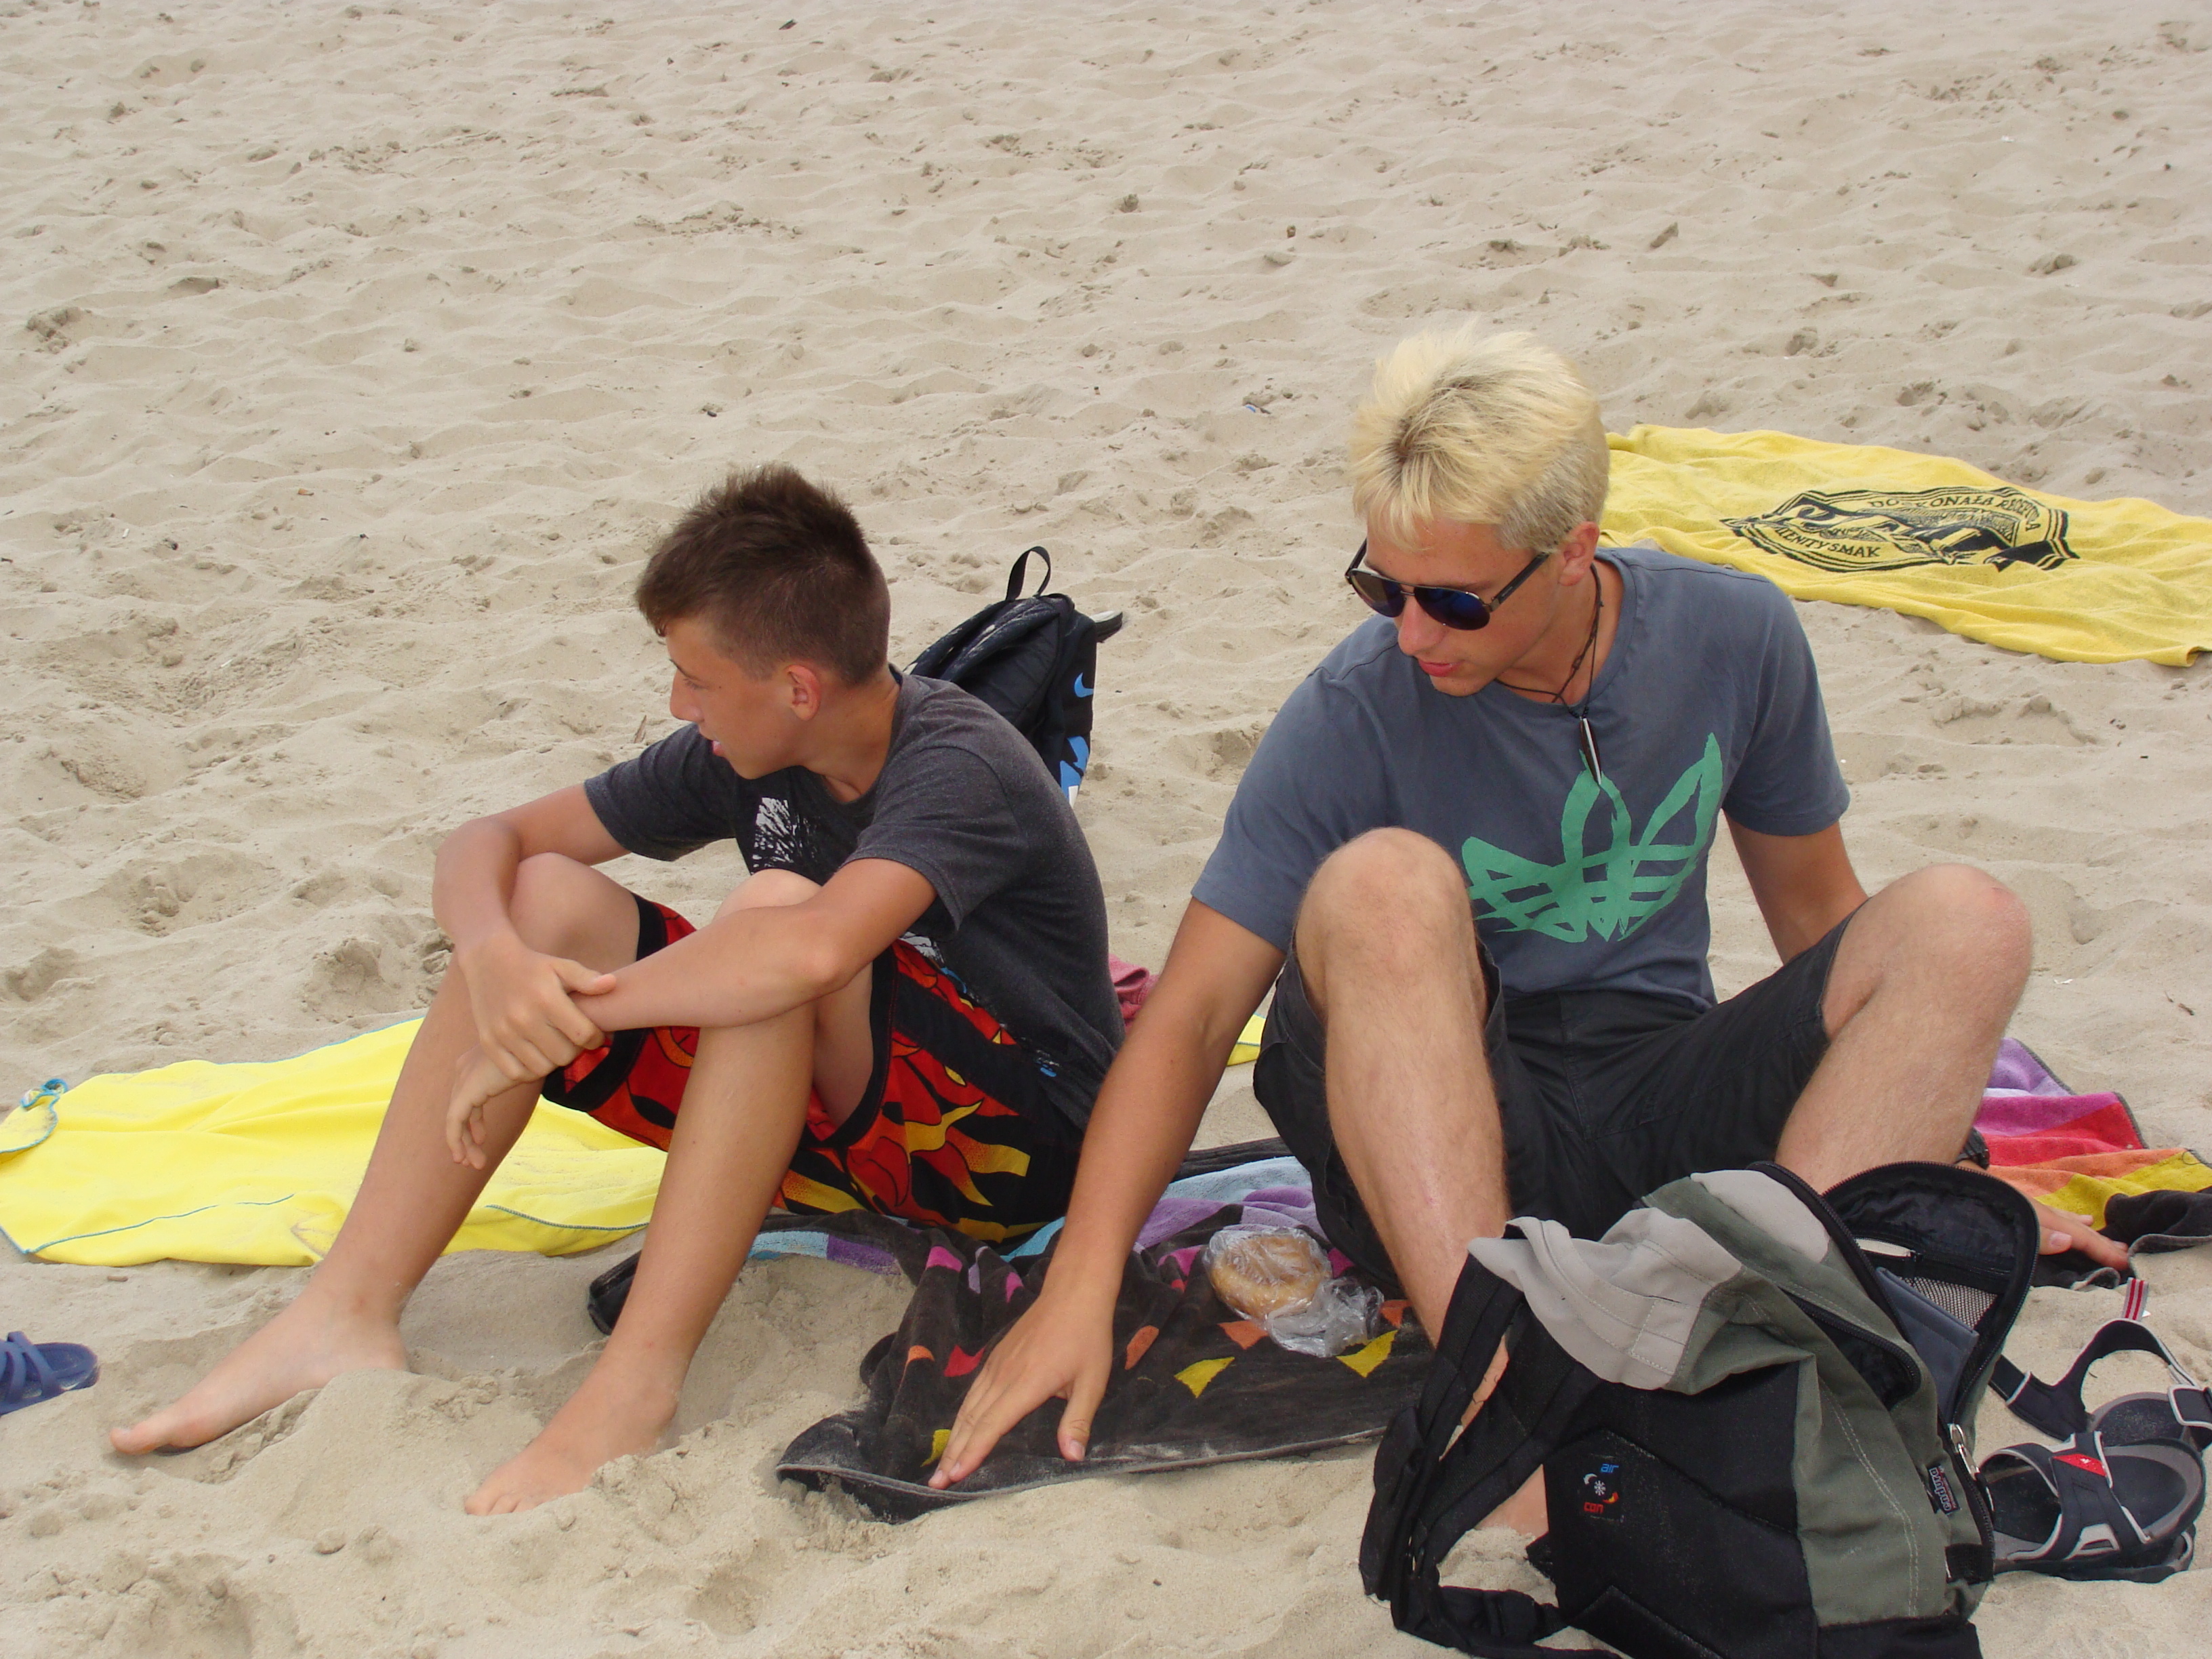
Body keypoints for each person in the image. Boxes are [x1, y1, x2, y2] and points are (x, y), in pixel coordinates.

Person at [932, 325, 2123, 1500]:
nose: (1409, 632)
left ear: (1572, 552)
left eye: (1451, 601)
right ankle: (1500, 1406)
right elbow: (1192, 1020)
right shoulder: (1354, 710)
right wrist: (1082, 1282)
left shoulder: (1733, 634)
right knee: (1382, 882)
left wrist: (1933, 1157)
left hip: (1656, 1098)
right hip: (1433, 1133)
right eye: (1380, 586)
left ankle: (1783, 1349)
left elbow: (1821, 921)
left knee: (1968, 918)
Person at [113, 464, 1122, 1513]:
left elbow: (811, 954)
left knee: (771, 918)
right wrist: (499, 965)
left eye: (696, 679)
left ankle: (633, 1390)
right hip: (855, 1123)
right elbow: (488, 842)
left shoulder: (959, 763)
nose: (679, 704)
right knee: (544, 899)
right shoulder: (751, 749)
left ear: (798, 689)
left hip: (1023, 1159)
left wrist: (559, 1020)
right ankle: (346, 1312)